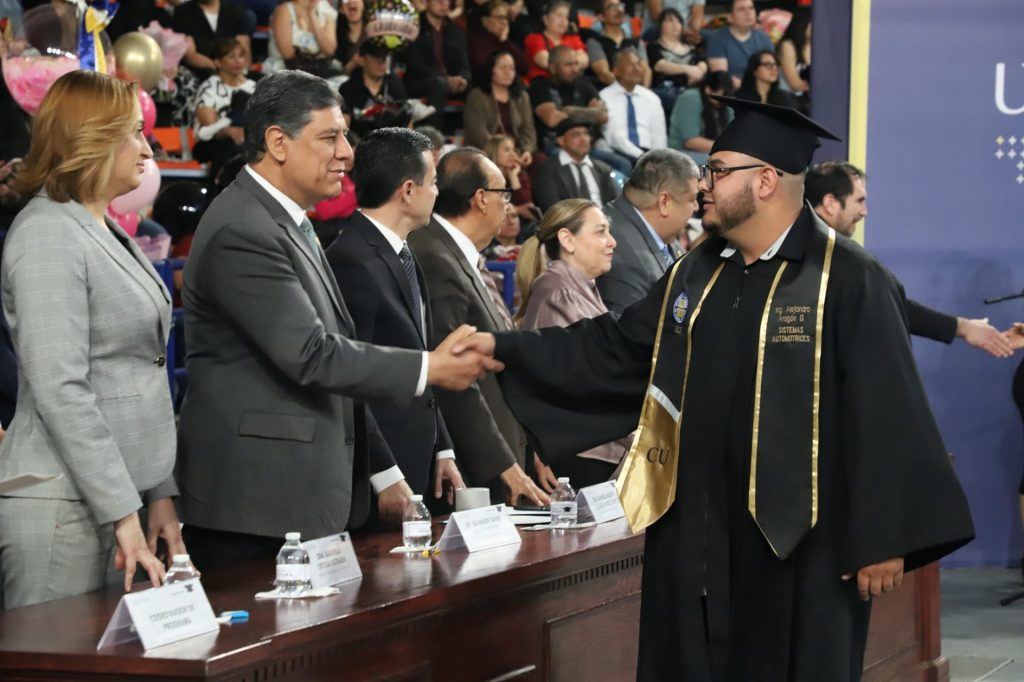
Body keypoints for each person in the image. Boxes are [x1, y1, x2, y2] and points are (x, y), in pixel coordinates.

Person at [461, 98, 975, 680]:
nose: (703, 184)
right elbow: (615, 349)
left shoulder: (850, 279)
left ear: (765, 181)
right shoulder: (697, 272)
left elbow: (889, 411)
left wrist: (884, 539)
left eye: (718, 171)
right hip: (696, 543)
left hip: (804, 549)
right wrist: (504, 349)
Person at [176, 71, 497, 570]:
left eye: (344, 136)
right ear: (277, 143)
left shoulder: (287, 222)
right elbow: (311, 353)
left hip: (292, 500)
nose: (347, 153)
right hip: (255, 507)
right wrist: (428, 368)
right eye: (330, 137)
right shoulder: (244, 228)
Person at [0, 71, 184, 609]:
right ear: (91, 137)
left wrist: (159, 494)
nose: (147, 148)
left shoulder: (100, 225)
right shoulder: (46, 232)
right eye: (134, 132)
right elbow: (61, 388)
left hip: (116, 500)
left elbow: (138, 369)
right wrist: (124, 511)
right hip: (64, 507)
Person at [326, 128, 465, 518]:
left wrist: (442, 446)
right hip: (381, 479)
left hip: (419, 462)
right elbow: (347, 377)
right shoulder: (350, 259)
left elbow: (419, 357)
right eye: (433, 182)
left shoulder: (402, 252)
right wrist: (383, 473)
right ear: (407, 190)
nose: (437, 192)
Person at [408, 148, 550, 507]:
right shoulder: (434, 256)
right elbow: (454, 376)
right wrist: (502, 465)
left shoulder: (455, 253)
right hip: (474, 471)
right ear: (481, 199)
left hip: (502, 454)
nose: (508, 205)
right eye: (505, 194)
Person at [806, 161, 1012, 358]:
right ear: (830, 203)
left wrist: (964, 327)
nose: (864, 211)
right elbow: (890, 305)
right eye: (859, 201)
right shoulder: (836, 258)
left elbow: (891, 305)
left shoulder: (821, 252)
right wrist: (964, 328)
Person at [515, 199, 630, 488]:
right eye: (600, 232)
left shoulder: (579, 289)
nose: (612, 242)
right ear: (567, 240)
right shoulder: (559, 293)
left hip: (596, 451)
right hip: (581, 458)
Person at [598, 149, 700, 314]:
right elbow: (630, 328)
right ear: (664, 202)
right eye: (692, 199)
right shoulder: (618, 252)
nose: (696, 207)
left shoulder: (661, 232)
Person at [401, 0, 472, 130]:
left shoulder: (455, 31)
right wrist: (446, 80)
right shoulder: (414, 27)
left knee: (478, 88)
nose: (443, 3)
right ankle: (433, 135)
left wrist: (463, 79)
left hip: (450, 83)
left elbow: (465, 66)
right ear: (426, 2)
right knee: (438, 85)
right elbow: (414, 64)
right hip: (419, 81)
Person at [192, 37, 256, 180]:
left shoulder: (253, 88)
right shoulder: (209, 88)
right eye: (231, 56)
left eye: (241, 56)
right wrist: (229, 130)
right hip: (210, 144)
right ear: (218, 62)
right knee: (226, 144)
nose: (238, 61)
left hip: (247, 141)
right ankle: (220, 186)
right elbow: (209, 129)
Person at [528, 44, 607, 153]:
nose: (575, 69)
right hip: (555, 147)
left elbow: (602, 116)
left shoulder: (585, 85)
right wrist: (589, 114)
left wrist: (568, 111)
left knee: (619, 161)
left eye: (576, 64)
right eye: (568, 65)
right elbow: (552, 119)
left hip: (586, 146)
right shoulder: (539, 87)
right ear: (553, 68)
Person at [463, 50, 538, 165]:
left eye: (511, 68)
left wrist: (527, 150)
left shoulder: (522, 97)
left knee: (539, 161)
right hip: (486, 152)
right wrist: (502, 154)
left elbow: (528, 130)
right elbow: (478, 133)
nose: (508, 72)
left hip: (516, 152)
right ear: (491, 70)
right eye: (503, 68)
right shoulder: (477, 96)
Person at [598, 49, 667, 166]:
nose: (637, 69)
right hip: (619, 153)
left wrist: (657, 160)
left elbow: (659, 137)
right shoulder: (603, 97)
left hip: (649, 156)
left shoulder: (652, 99)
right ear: (615, 71)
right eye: (630, 65)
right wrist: (641, 156)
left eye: (638, 64)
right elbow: (613, 137)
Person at [533, 119, 618, 212]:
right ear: (561, 141)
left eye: (586, 133)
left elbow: (615, 204)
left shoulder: (603, 169)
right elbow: (552, 209)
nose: (584, 139)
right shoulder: (547, 169)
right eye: (576, 135)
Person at [339, 40, 411, 137]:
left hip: (392, 139)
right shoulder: (349, 88)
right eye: (376, 57)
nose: (381, 62)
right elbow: (344, 125)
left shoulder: (395, 84)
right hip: (360, 140)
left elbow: (407, 118)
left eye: (384, 57)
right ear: (362, 60)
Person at [647, 8, 708, 119]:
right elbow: (660, 65)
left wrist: (699, 71)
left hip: (692, 89)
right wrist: (688, 69)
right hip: (667, 91)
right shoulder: (653, 47)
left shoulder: (691, 48)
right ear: (660, 25)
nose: (675, 24)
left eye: (678, 21)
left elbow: (702, 62)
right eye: (670, 20)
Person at [264, 0, 342, 82]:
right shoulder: (284, 10)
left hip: (318, 69)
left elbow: (329, 50)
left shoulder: (324, 10)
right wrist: (314, 56)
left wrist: (312, 16)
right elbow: (287, 53)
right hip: (286, 69)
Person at [173, 0, 253, 79]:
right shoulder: (183, 11)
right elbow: (190, 55)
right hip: (199, 73)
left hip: (233, 72)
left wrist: (243, 74)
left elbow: (244, 48)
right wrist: (219, 69)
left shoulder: (236, 11)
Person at [667, 70, 734, 163]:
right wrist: (727, 148)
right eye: (720, 96)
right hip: (682, 154)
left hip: (714, 153)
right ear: (708, 89)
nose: (721, 102)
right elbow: (691, 142)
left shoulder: (726, 105)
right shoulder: (690, 99)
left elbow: (731, 137)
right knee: (724, 163)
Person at [705, 0, 773, 90]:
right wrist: (754, 90)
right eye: (741, 9)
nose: (748, 13)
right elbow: (722, 78)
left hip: (763, 90)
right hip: (732, 92)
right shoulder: (717, 38)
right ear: (730, 17)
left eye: (751, 8)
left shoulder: (763, 37)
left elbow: (772, 69)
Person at [586, 0, 651, 88]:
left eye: (620, 5)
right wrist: (626, 89)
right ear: (601, 17)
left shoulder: (636, 41)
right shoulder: (595, 41)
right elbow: (603, 73)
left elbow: (645, 70)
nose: (619, 10)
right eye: (612, 7)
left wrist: (643, 92)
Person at [523, 0, 588, 83]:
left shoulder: (573, 39)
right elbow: (545, 61)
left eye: (566, 17)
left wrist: (564, 64)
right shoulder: (534, 38)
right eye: (559, 15)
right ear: (545, 19)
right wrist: (574, 63)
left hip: (571, 81)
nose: (563, 21)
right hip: (543, 82)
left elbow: (585, 60)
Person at [485, 134, 539, 227]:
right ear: (493, 152)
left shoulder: (520, 175)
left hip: (520, 224)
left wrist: (514, 178)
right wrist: (517, 209)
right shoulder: (485, 177)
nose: (512, 154)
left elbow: (528, 207)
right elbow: (488, 207)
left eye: (513, 150)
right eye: (507, 150)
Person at [467, 0, 528, 81]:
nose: (504, 22)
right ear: (485, 21)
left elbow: (523, 67)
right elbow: (482, 66)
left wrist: (504, 41)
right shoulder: (475, 40)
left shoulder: (504, 41)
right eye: (500, 18)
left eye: (506, 18)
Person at [776, 10, 810, 112]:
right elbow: (794, 84)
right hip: (787, 98)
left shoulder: (815, 46)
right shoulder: (788, 45)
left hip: (806, 97)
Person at [335, 0, 367, 76]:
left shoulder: (373, 31)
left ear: (363, 5)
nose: (352, 1)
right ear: (341, 9)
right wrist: (353, 63)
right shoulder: (335, 35)